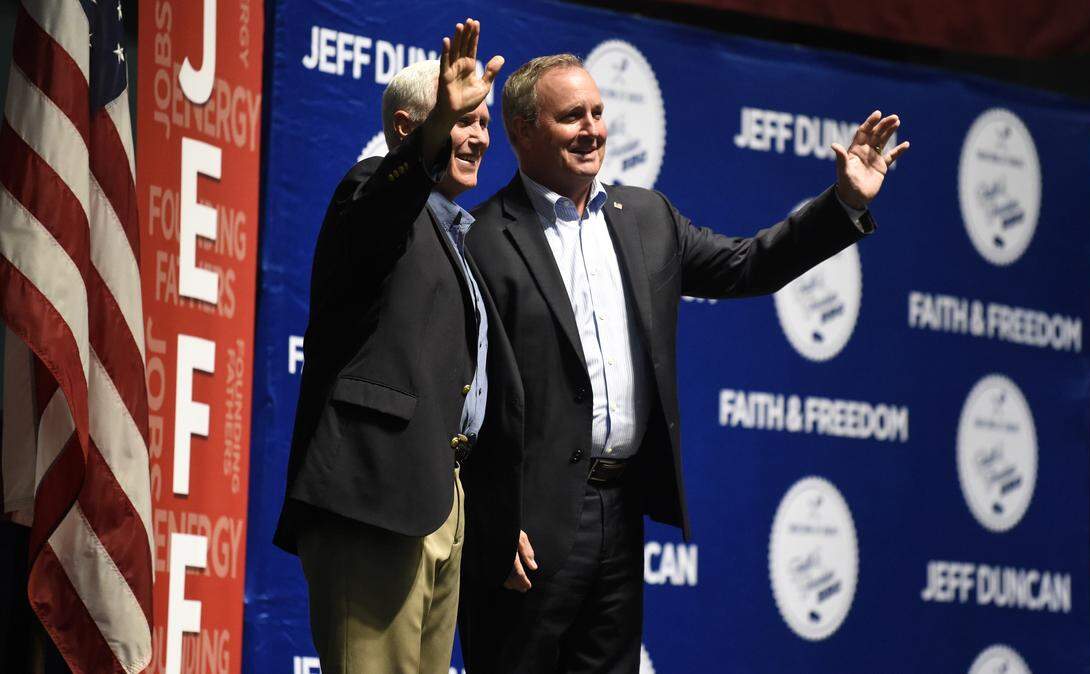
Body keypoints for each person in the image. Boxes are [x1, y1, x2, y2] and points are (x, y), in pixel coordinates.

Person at [459, 54, 910, 673]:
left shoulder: (647, 217)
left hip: (620, 514)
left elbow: (750, 264)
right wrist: (491, 521)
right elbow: (461, 399)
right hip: (526, 532)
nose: (593, 129)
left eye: (597, 112)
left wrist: (842, 203)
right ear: (520, 131)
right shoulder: (480, 238)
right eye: (571, 117)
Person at [272, 20, 517, 674]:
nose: (481, 138)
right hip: (373, 496)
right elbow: (384, 207)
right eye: (466, 121)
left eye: (484, 124)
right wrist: (438, 132)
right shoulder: (370, 189)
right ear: (411, 129)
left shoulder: (453, 234)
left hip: (439, 502)